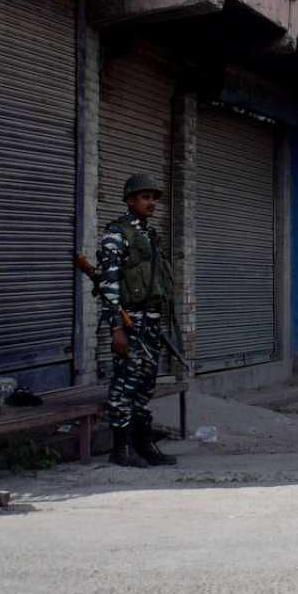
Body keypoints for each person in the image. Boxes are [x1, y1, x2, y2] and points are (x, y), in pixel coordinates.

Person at [96, 174, 176, 468]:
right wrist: (116, 327)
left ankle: (143, 444)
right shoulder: (116, 234)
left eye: (154, 198)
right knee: (124, 384)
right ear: (130, 200)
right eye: (145, 197)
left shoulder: (148, 234)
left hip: (151, 320)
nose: (151, 202)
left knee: (146, 382)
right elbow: (109, 284)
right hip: (129, 321)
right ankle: (121, 449)